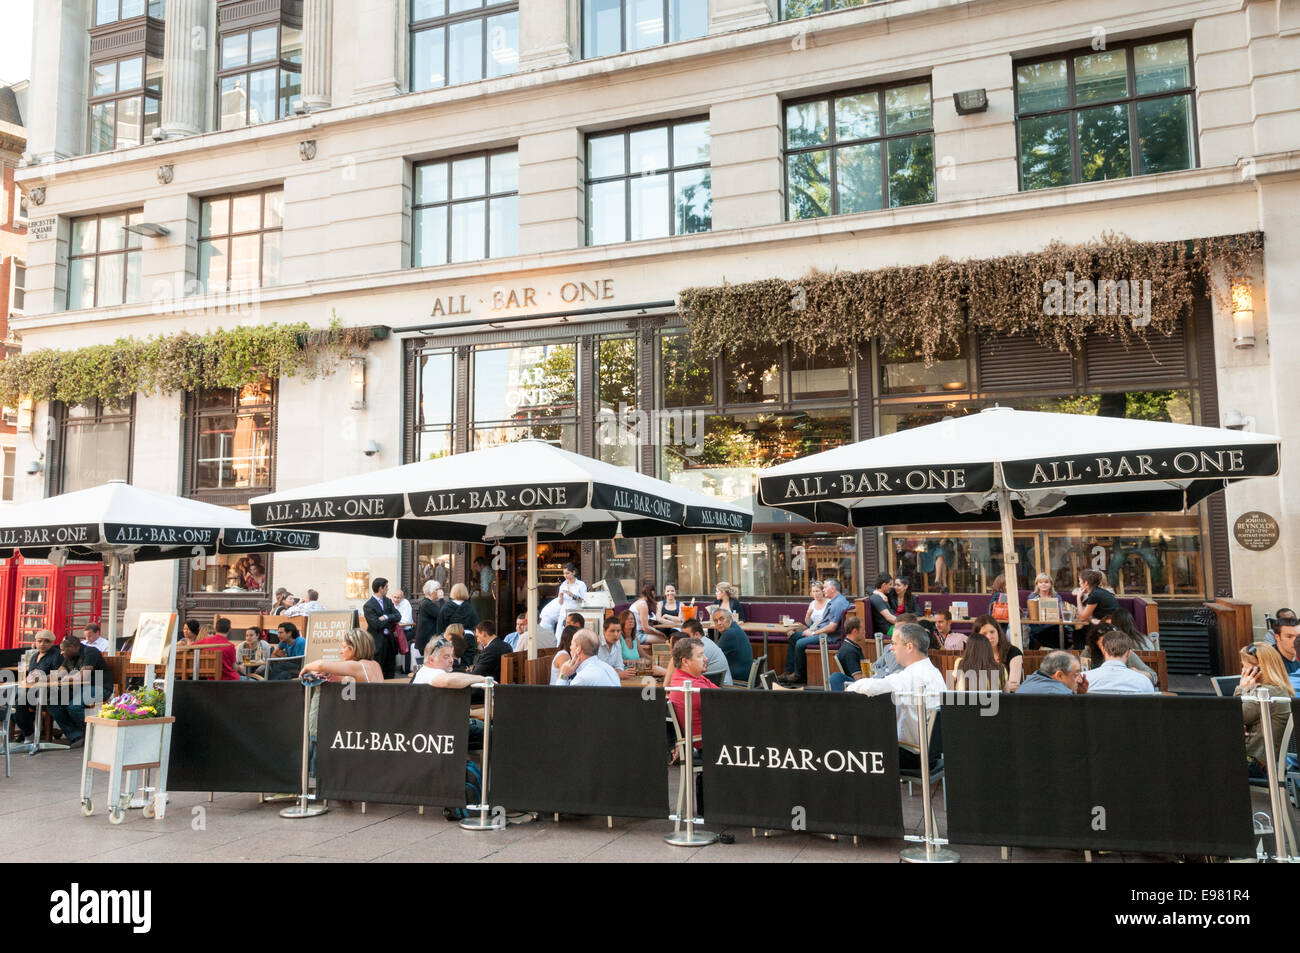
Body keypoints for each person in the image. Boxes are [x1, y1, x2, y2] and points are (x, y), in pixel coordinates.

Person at [845, 623, 945, 770]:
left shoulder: (909, 677)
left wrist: (848, 688)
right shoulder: (936, 673)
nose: (891, 648)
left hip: (913, 755)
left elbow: (867, 687)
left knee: (854, 747)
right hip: (934, 752)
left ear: (909, 647)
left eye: (894, 643)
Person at [413, 637, 490, 749]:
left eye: (451, 656)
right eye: (446, 656)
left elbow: (450, 677)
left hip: (439, 727)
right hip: (438, 731)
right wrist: (481, 679)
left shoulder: (428, 671)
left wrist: (478, 678)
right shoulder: (430, 672)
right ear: (431, 660)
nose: (451, 660)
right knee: (497, 734)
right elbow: (447, 681)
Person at [1234, 642, 1294, 780]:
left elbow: (1234, 716)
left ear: (1259, 669)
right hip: (1269, 763)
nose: (1242, 671)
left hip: (1257, 765)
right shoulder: (1280, 688)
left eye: (1245, 667)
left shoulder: (1266, 693)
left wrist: (1241, 688)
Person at [778, 577, 851, 685]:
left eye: (825, 587)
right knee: (793, 637)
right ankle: (789, 671)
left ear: (833, 588)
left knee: (800, 643)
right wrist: (811, 629)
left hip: (829, 637)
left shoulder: (838, 603)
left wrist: (812, 633)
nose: (823, 590)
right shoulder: (836, 601)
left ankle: (799, 675)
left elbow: (832, 627)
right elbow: (825, 622)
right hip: (822, 631)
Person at [47, 635, 110, 748]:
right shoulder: (69, 655)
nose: (61, 653)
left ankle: (92, 735)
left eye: (63, 650)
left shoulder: (90, 652)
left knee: (74, 706)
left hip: (99, 687)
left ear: (72, 647)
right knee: (53, 704)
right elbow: (61, 671)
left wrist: (67, 677)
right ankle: (76, 735)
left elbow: (83, 676)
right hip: (79, 688)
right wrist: (41, 677)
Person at [12, 631, 62, 744]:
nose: (42, 644)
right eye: (39, 641)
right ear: (35, 642)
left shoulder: (56, 655)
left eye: (46, 641)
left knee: (19, 702)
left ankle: (29, 734)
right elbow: (31, 674)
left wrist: (42, 677)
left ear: (52, 643)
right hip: (31, 689)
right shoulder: (35, 656)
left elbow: (58, 675)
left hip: (49, 691)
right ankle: (28, 729)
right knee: (10, 699)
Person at [667, 637, 717, 746]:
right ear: (685, 661)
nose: (706, 658)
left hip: (712, 737)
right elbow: (726, 705)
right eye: (700, 655)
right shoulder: (692, 687)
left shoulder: (690, 677)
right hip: (709, 745)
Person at [1081, 623, 1157, 686]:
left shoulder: (1125, 653)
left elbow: (1153, 677)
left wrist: (1138, 672)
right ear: (1095, 643)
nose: (1109, 645)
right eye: (1103, 643)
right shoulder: (1088, 653)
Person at [302, 627, 382, 684]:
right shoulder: (375, 664)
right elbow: (360, 681)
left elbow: (321, 665)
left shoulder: (357, 666)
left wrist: (306, 667)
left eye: (344, 647)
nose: (340, 652)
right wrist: (335, 677)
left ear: (354, 648)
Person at [363, 577, 402, 680]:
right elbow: (376, 624)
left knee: (390, 673)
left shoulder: (388, 601)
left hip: (390, 642)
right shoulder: (368, 606)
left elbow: (398, 616)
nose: (387, 589)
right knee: (378, 672)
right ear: (381, 588)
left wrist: (385, 617)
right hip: (377, 644)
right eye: (386, 587)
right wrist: (389, 620)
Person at [970, 614, 1022, 692]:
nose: (990, 637)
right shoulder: (974, 653)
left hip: (1007, 700)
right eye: (984, 634)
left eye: (992, 632)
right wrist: (1004, 686)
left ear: (998, 632)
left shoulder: (1013, 652)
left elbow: (1014, 685)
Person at [179, 617, 239, 681]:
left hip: (209, 679)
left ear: (215, 629)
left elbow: (188, 648)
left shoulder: (204, 642)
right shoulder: (230, 646)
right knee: (250, 681)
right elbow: (234, 667)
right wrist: (241, 667)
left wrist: (178, 646)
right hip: (230, 679)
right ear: (230, 629)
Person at [680, 618, 732, 686]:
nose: (683, 639)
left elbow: (687, 673)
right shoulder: (703, 643)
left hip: (723, 689)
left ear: (697, 635)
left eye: (686, 636)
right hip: (713, 686)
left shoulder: (702, 648)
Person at [436, 583, 480, 659]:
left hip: (449, 640)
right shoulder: (470, 608)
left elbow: (440, 626)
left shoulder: (446, 608)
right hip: (468, 640)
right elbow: (476, 625)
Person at [709, 608, 752, 684]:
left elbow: (712, 655)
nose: (718, 623)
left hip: (738, 680)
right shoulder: (735, 628)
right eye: (715, 621)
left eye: (721, 619)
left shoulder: (730, 634)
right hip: (744, 675)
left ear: (730, 619)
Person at [1017, 650, 1088, 695]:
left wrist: (1079, 696)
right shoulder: (1063, 695)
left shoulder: (1027, 683)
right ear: (1059, 676)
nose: (1080, 680)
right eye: (1075, 675)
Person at [1026, 573, 1067, 648]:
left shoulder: (1057, 597)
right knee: (1055, 632)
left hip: (1054, 626)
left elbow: (1061, 615)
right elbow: (1032, 614)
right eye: (1040, 582)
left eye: (1046, 582)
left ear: (1051, 584)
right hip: (1038, 627)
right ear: (1037, 584)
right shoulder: (1033, 597)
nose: (1043, 584)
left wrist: (1062, 610)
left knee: (1058, 630)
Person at [1074, 569, 1120, 635]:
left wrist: (1078, 598)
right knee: (1080, 632)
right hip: (1109, 624)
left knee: (1078, 634)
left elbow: (1082, 617)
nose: (1079, 584)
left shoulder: (1095, 595)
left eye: (1080, 581)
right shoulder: (1097, 592)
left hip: (1112, 627)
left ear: (1086, 583)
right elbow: (1085, 615)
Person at [829, 615, 869, 691]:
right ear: (855, 631)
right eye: (863, 630)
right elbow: (859, 679)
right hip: (858, 689)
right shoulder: (849, 651)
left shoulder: (850, 646)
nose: (865, 632)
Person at [416, 580, 445, 653]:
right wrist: (441, 599)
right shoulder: (427, 604)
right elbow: (442, 615)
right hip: (427, 641)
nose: (439, 592)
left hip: (428, 640)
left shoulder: (427, 602)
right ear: (431, 591)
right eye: (437, 589)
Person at [867, 573, 897, 638]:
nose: (891, 587)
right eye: (890, 584)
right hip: (888, 629)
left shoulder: (883, 595)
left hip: (891, 625)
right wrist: (905, 623)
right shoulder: (877, 598)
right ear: (883, 585)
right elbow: (889, 618)